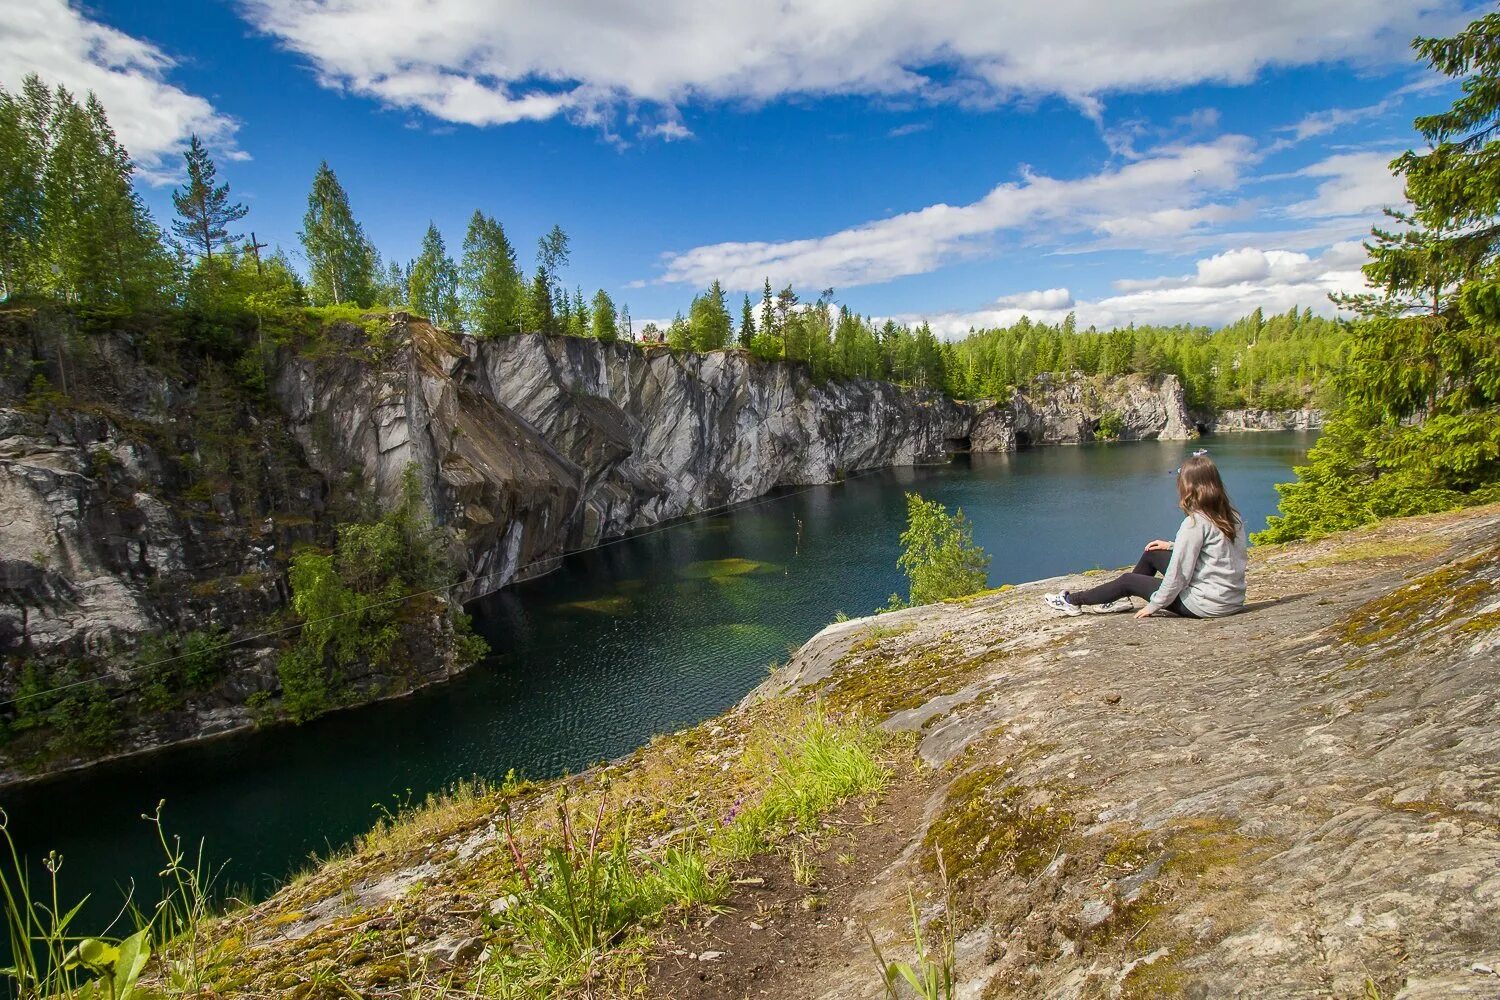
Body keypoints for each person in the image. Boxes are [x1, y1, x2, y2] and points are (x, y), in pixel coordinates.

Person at [1043, 453, 1248, 619]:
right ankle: (1117, 599)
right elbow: (1218, 552)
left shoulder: (1194, 523)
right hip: (1231, 599)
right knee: (1153, 553)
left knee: (1128, 580)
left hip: (1205, 604)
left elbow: (1179, 574)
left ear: (1189, 487)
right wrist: (1171, 546)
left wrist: (1155, 604)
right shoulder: (1231, 515)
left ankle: (1071, 601)